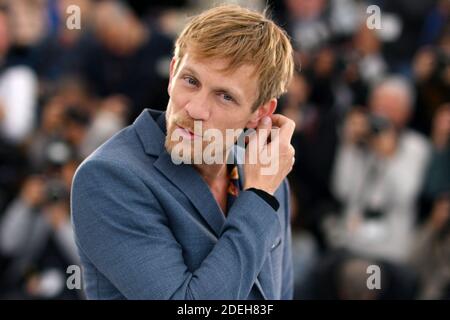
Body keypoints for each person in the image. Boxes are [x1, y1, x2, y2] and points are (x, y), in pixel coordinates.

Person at [71, 5, 296, 300]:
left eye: (225, 96)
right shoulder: (108, 177)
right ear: (172, 73)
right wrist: (258, 200)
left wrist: (261, 193)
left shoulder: (267, 178)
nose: (195, 108)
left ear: (260, 114)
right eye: (191, 81)